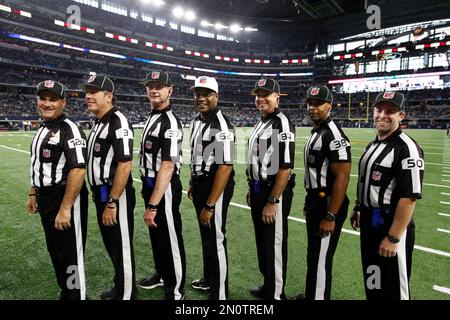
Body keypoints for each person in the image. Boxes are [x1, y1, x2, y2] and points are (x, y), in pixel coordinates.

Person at [351, 91, 424, 300]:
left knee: (394, 290)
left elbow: (409, 197)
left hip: (390, 227)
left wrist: (393, 237)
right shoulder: (373, 145)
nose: (383, 115)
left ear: (401, 115)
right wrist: (358, 207)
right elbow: (367, 182)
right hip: (370, 224)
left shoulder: (407, 148)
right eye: (379, 110)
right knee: (373, 281)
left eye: (390, 111)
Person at [27, 80, 88, 300]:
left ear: (63, 102)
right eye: (43, 99)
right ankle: (67, 291)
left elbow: (79, 170)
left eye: (53, 99)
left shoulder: (69, 129)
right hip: (45, 198)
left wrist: (65, 208)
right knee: (55, 250)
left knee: (70, 253)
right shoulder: (42, 127)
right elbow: (37, 164)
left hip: (65, 197)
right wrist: (33, 192)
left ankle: (76, 295)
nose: (47, 104)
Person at [84, 75, 137, 300]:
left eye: (94, 91)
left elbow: (125, 165)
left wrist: (113, 202)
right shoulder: (101, 121)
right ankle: (121, 287)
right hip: (101, 194)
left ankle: (126, 295)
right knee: (113, 247)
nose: (88, 96)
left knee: (122, 247)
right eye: (87, 91)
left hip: (115, 196)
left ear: (108, 96)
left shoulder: (118, 121)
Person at [300, 85, 351, 300]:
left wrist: (331, 214)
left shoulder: (333, 134)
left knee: (321, 258)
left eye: (318, 104)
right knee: (314, 255)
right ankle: (313, 295)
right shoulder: (318, 131)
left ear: (329, 106)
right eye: (310, 104)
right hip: (316, 200)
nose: (312, 108)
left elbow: (342, 177)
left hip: (328, 203)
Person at [246, 78, 296, 300]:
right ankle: (269, 286)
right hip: (258, 189)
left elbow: (285, 167)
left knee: (273, 245)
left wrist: (273, 201)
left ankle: (276, 295)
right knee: (262, 243)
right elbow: (261, 159)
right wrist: (252, 186)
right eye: (258, 95)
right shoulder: (262, 122)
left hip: (272, 192)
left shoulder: (281, 123)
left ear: (277, 97)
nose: (261, 98)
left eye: (266, 94)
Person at [138, 71, 186, 300]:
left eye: (159, 86)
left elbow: (167, 165)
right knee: (157, 236)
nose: (154, 90)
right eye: (150, 86)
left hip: (163, 188)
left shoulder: (170, 122)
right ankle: (162, 274)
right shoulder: (152, 116)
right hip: (151, 185)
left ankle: (175, 290)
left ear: (170, 90)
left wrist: (153, 204)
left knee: (170, 238)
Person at [188, 76, 235, 300]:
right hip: (200, 183)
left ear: (216, 96)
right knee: (206, 235)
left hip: (215, 184)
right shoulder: (197, 120)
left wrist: (210, 203)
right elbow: (197, 154)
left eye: (206, 94)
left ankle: (220, 293)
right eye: (198, 93)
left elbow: (225, 167)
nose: (201, 98)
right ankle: (209, 280)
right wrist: (192, 182)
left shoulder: (222, 124)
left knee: (215, 238)